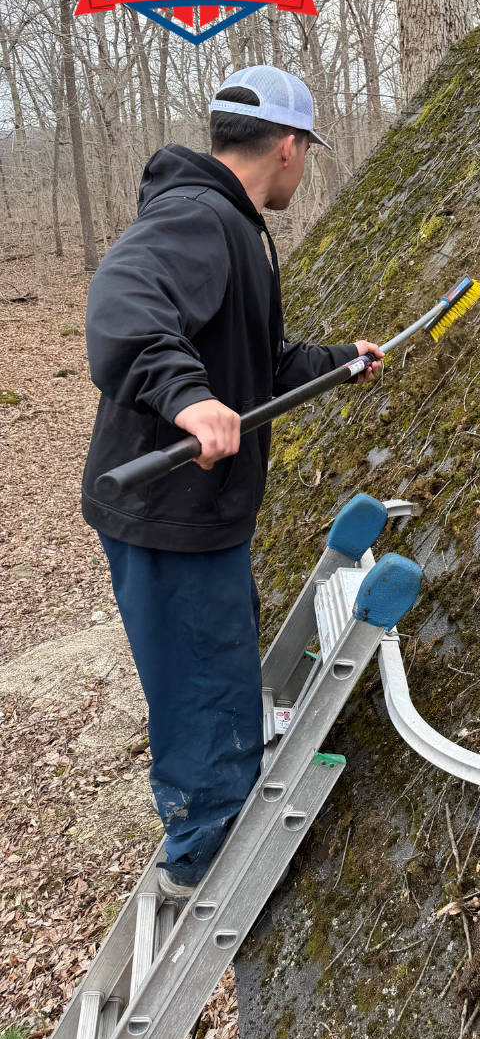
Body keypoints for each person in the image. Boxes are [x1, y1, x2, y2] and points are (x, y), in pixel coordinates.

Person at [81, 66, 382, 899]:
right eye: (306, 152)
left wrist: (335, 364)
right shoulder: (198, 218)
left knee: (217, 654)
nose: (304, 165)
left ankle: (216, 800)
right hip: (165, 510)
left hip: (199, 511)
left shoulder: (239, 227)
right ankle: (203, 857)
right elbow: (122, 301)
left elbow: (259, 363)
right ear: (287, 147)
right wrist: (187, 395)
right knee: (198, 680)